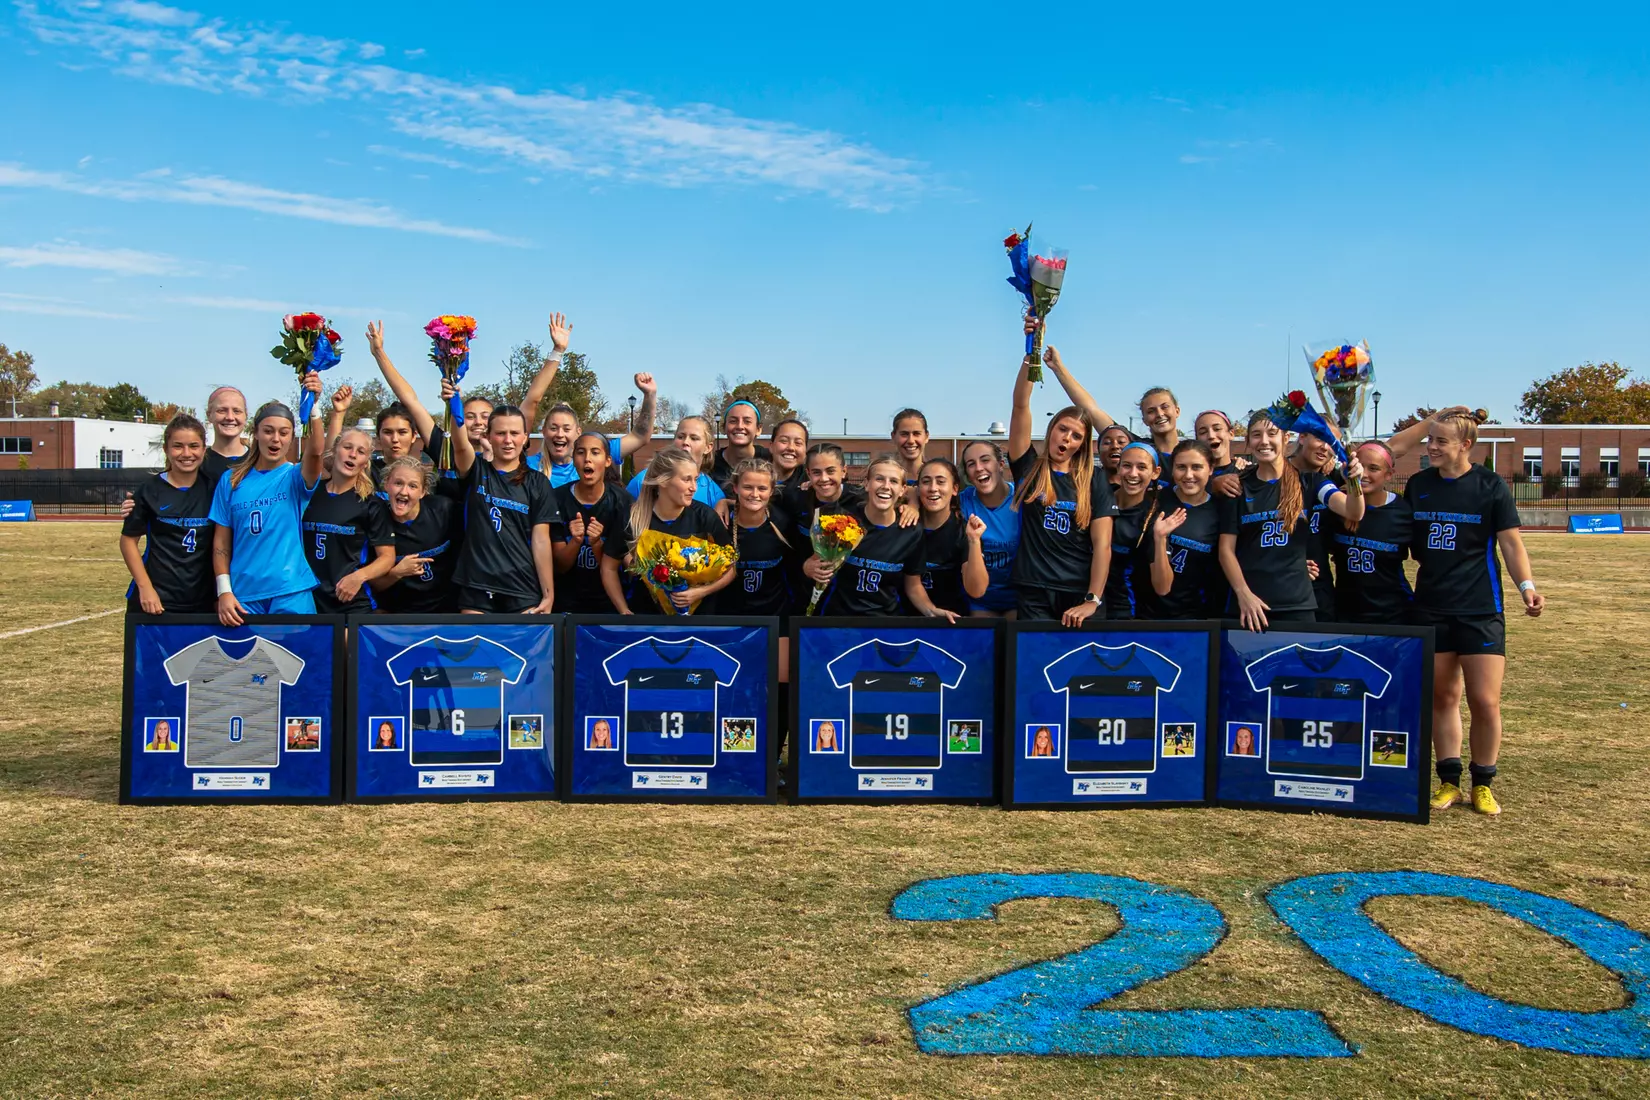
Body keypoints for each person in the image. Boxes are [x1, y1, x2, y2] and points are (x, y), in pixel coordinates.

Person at [1407, 412, 1544, 817]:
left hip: (1480, 609)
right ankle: (1448, 782)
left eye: (1440, 442)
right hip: (1431, 607)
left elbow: (1511, 545)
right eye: (1429, 439)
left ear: (1465, 445)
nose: (1430, 447)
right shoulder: (1419, 485)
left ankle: (1482, 783)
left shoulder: (1490, 486)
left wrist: (1528, 587)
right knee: (1443, 697)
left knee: (1485, 700)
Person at [1217, 411, 1364, 632]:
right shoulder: (1238, 486)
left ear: (1286, 438)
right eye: (1256, 435)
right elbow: (1225, 550)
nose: (1264, 441)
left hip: (1297, 604)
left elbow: (1353, 512)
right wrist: (1243, 594)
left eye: (1272, 433)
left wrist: (1354, 483)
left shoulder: (1310, 481)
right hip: (1249, 606)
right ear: (1248, 441)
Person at [369, 315, 565, 476]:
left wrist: (558, 351)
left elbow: (532, 399)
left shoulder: (509, 450)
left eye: (485, 417)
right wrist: (379, 353)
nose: (478, 422)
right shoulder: (444, 445)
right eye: (470, 416)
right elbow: (410, 401)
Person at [1007, 347, 1118, 625]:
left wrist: (1092, 600)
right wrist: (1031, 352)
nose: (1067, 438)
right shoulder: (1029, 467)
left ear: (1082, 443)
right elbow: (1020, 405)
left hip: (1079, 593)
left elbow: (1102, 545)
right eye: (1062, 429)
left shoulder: (1094, 480)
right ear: (1051, 429)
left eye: (1076, 435)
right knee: (1035, 663)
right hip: (1035, 591)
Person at [210, 382, 327, 625]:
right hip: (244, 596)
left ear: (291, 437)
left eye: (284, 432)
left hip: (290, 591)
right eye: (268, 431)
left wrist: (314, 407)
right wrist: (224, 590)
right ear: (255, 433)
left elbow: (315, 452)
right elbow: (221, 541)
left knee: (298, 660)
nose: (276, 439)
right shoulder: (231, 480)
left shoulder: (294, 477)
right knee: (254, 663)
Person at [444, 382, 560, 614]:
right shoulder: (476, 470)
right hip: (476, 585)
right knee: (478, 649)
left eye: (515, 433)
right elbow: (459, 444)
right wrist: (453, 403)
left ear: (525, 437)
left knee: (520, 650)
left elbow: (541, 541)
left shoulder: (538, 483)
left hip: (522, 587)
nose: (508, 440)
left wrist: (549, 594)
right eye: (500, 433)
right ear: (488, 436)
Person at [804, 454, 959, 621]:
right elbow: (813, 563)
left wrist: (931, 610)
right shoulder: (844, 521)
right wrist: (809, 568)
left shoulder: (911, 532)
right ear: (866, 484)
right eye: (879, 479)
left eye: (893, 481)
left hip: (885, 622)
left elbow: (913, 584)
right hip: (839, 620)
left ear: (902, 490)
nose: (886, 486)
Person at [605, 447, 734, 615]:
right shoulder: (632, 517)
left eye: (695, 479)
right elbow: (608, 567)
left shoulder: (705, 516)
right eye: (686, 480)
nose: (693, 487)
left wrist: (700, 592)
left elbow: (732, 569)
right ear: (663, 481)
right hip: (648, 621)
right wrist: (624, 611)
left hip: (699, 622)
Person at [121, 414, 218, 614]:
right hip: (158, 600)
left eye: (193, 446)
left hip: (204, 601)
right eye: (177, 446)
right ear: (166, 449)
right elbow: (128, 541)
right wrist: (145, 588)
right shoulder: (149, 490)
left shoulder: (215, 489)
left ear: (203, 449)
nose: (186, 453)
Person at [302, 417, 397, 614]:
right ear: (335, 450)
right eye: (347, 447)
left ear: (365, 462)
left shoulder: (371, 504)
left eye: (361, 451)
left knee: (346, 644)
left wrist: (359, 577)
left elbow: (387, 558)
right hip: (307, 598)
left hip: (349, 601)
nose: (353, 455)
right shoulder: (309, 494)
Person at [1328, 441, 1414, 624]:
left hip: (1393, 615)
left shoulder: (1403, 512)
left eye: (1373, 468)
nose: (1364, 474)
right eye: (1360, 466)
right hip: (1345, 615)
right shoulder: (1337, 506)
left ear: (1389, 474)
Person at [369, 456, 465, 613]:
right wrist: (396, 573)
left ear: (423, 492)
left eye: (413, 486)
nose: (404, 492)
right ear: (386, 485)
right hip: (399, 614)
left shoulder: (444, 510)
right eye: (398, 483)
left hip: (445, 609)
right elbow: (375, 585)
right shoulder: (376, 520)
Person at [550, 431, 633, 613]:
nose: (587, 459)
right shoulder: (556, 499)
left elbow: (622, 569)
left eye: (595, 452)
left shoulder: (622, 501)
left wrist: (597, 544)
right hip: (566, 603)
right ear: (573, 458)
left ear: (608, 460)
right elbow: (559, 566)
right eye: (580, 452)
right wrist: (576, 541)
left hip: (608, 604)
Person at [530, 371, 657, 485]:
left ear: (578, 432)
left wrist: (650, 394)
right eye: (553, 428)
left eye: (566, 429)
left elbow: (640, 436)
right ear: (544, 431)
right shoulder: (529, 467)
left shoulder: (595, 455)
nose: (559, 434)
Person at [1147, 441, 1223, 619]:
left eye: (1197, 467)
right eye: (1181, 467)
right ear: (1172, 470)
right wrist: (1160, 539)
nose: (1189, 475)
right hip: (1148, 614)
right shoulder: (1156, 500)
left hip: (1195, 617)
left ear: (1211, 469)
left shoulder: (1220, 511)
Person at [719, 458, 794, 618]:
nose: (755, 494)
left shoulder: (783, 524)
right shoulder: (721, 524)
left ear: (771, 491)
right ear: (735, 488)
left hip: (773, 619)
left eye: (762, 488)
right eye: (747, 487)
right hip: (728, 618)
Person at [912, 457, 984, 617]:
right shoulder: (907, 525)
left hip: (952, 622)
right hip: (907, 621)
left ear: (954, 489)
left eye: (940, 481)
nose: (933, 488)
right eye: (926, 482)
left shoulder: (965, 531)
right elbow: (910, 583)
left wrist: (974, 542)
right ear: (917, 489)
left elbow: (976, 590)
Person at [958, 440, 1020, 619]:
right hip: (980, 597)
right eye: (971, 464)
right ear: (968, 475)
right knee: (984, 641)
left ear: (1001, 465)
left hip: (1018, 597)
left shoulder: (1022, 499)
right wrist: (913, 503)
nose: (978, 468)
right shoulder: (963, 502)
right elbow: (925, 495)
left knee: (1013, 640)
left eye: (985, 460)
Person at [1290, 424, 1345, 620]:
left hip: (1320, 585)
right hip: (1279, 584)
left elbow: (1352, 510)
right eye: (1321, 438)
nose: (1325, 447)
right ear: (1302, 436)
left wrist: (1354, 484)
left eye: (1332, 443)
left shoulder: (1330, 478)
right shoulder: (1272, 475)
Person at [1104, 442, 1164, 619]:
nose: (1133, 473)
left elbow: (1163, 587)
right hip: (1084, 602)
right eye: (1127, 466)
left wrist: (1160, 539)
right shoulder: (1100, 498)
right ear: (1119, 467)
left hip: (1124, 610)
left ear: (1155, 473)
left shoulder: (1153, 517)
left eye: (1142, 467)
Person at [625, 417, 726, 507]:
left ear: (708, 447)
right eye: (680, 437)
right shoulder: (643, 481)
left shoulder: (715, 494)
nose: (685, 442)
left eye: (694, 438)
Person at [709, 400, 771, 492]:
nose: (740, 426)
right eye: (733, 421)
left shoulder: (770, 459)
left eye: (747, 421)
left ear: (758, 429)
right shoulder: (710, 463)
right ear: (724, 428)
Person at [1194, 410, 1249, 498]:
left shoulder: (1245, 472)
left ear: (1231, 434)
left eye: (1217, 429)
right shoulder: (1192, 475)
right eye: (1203, 432)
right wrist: (1212, 485)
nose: (1211, 436)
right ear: (1197, 440)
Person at [200, 386, 251, 479]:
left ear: (245, 416)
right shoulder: (198, 463)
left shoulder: (258, 461)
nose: (230, 417)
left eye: (237, 411)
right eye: (222, 411)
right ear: (209, 415)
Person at [1137, 386, 1182, 481]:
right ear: (1144, 420)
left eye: (1165, 407)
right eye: (1151, 411)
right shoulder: (1140, 451)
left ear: (1177, 411)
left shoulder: (1194, 452)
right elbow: (1111, 428)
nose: (1159, 414)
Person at [890, 409, 931, 499]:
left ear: (926, 436)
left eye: (916, 434)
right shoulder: (885, 477)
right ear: (893, 436)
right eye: (904, 434)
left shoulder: (936, 478)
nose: (911, 441)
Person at [768, 418, 811, 492]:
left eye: (798, 443)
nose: (791, 447)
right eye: (784, 441)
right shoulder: (753, 475)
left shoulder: (812, 481)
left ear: (805, 451)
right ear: (771, 446)